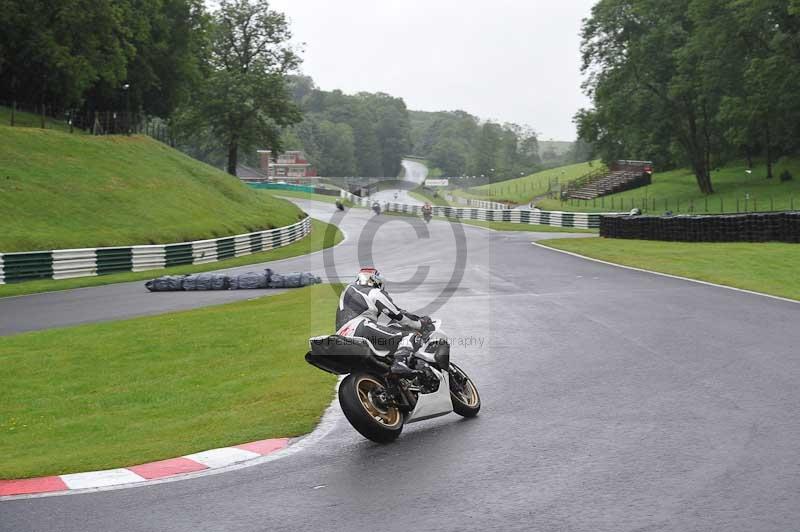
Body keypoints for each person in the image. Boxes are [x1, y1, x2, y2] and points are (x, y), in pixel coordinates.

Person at [335, 267, 433, 376]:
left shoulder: (348, 291)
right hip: (359, 328)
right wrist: (420, 324)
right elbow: (398, 316)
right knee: (409, 336)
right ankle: (400, 362)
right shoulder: (373, 292)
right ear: (376, 281)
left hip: (341, 335)